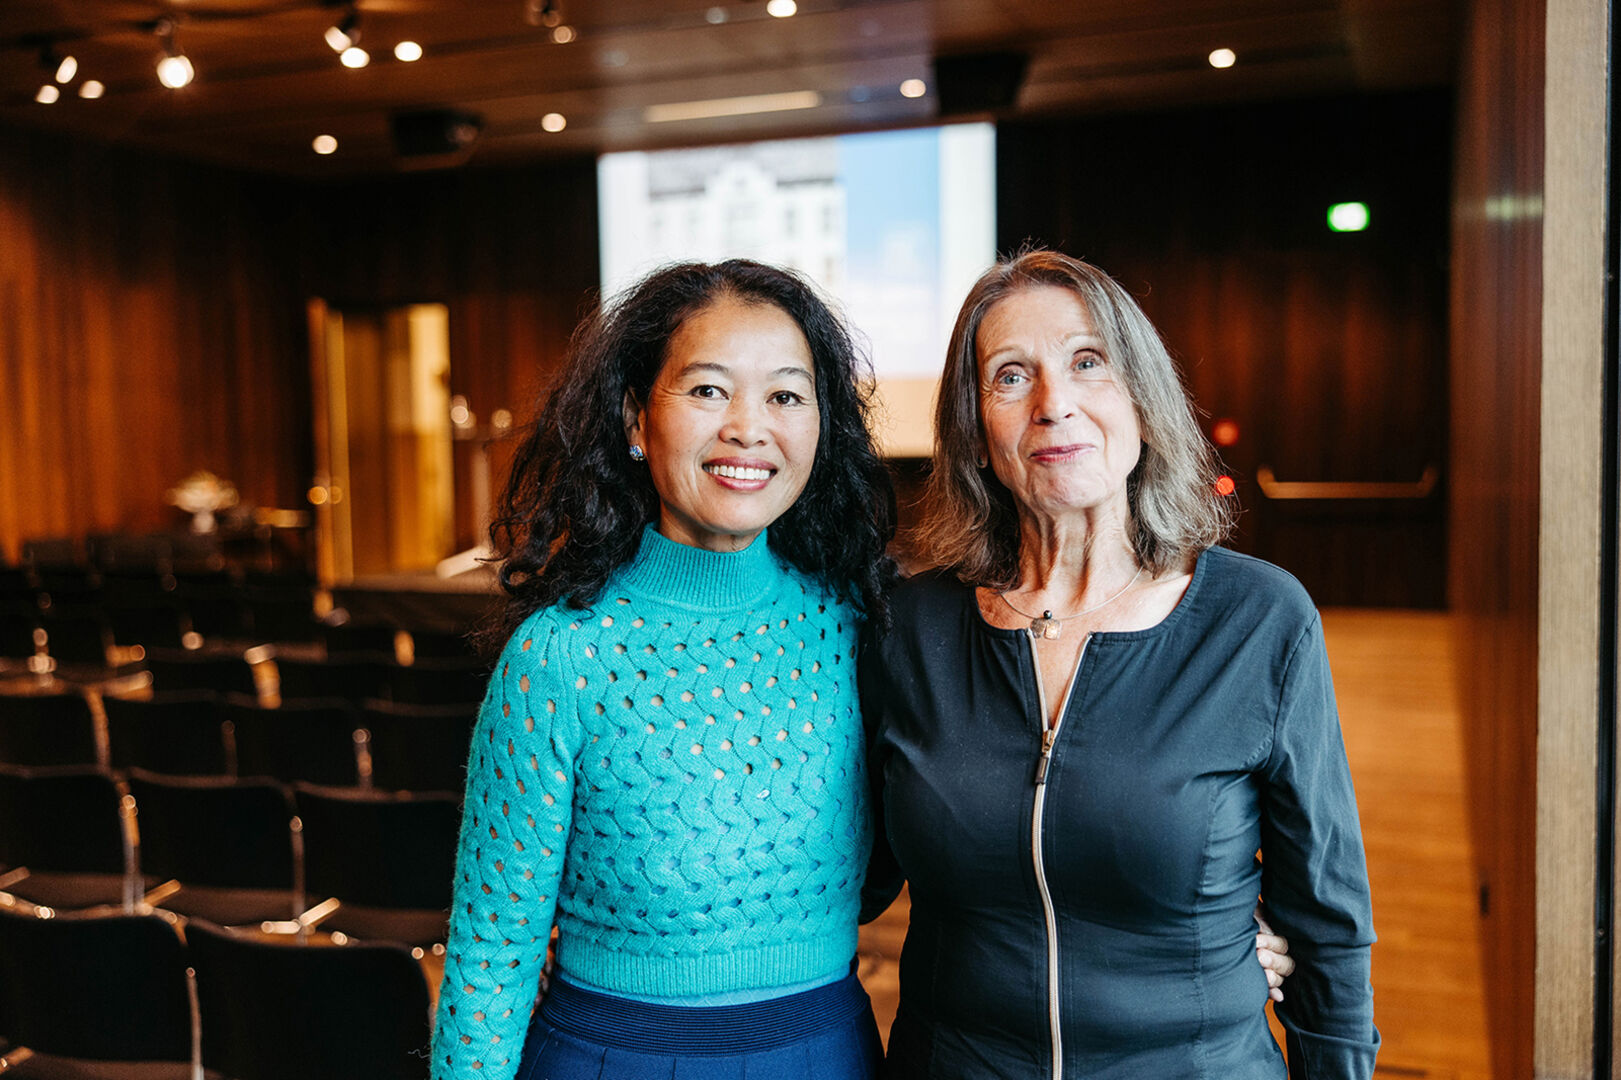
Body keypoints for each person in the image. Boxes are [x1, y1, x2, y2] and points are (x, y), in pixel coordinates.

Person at [861, 249, 1376, 1079]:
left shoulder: (1258, 619)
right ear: (974, 434)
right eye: (1008, 377)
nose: (1052, 403)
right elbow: (849, 876)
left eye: (1087, 362)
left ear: (1141, 402)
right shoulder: (909, 627)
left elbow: (1326, 917)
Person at [431, 259, 898, 1080]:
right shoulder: (558, 656)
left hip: (825, 1053)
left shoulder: (856, 626)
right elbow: (491, 956)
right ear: (636, 420)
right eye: (708, 391)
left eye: (785, 396)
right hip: (614, 1058)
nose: (749, 428)